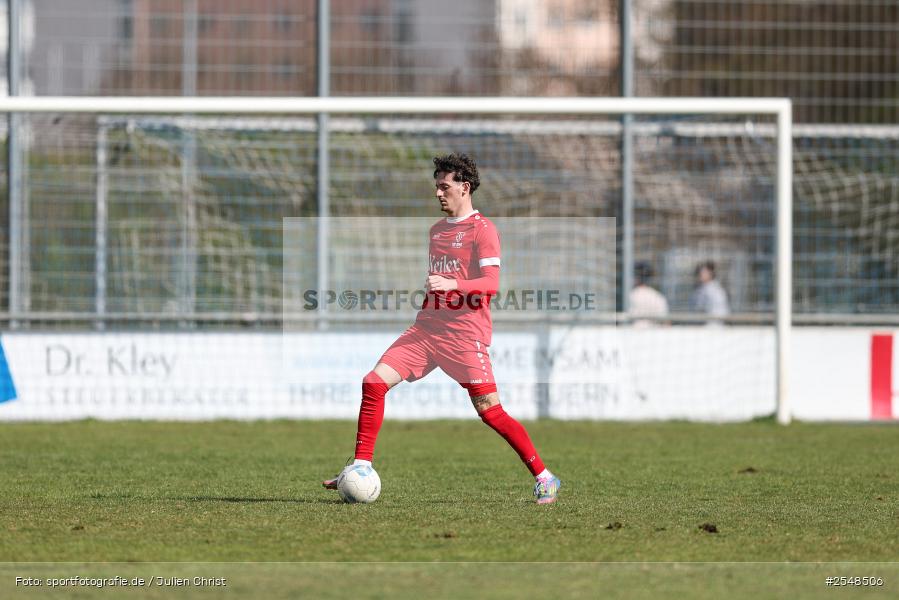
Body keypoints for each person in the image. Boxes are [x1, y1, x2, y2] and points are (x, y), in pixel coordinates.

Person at [322, 153, 561, 504]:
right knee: (373, 383)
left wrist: (453, 285)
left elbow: (491, 285)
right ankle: (359, 467)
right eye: (436, 186)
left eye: (444, 186)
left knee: (490, 412)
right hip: (426, 330)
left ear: (464, 188)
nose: (438, 193)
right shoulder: (436, 231)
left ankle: (545, 476)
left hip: (464, 336)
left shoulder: (484, 230)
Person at [629, 262, 669, 327]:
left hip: (631, 333)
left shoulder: (630, 296)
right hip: (653, 334)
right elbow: (665, 323)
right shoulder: (658, 297)